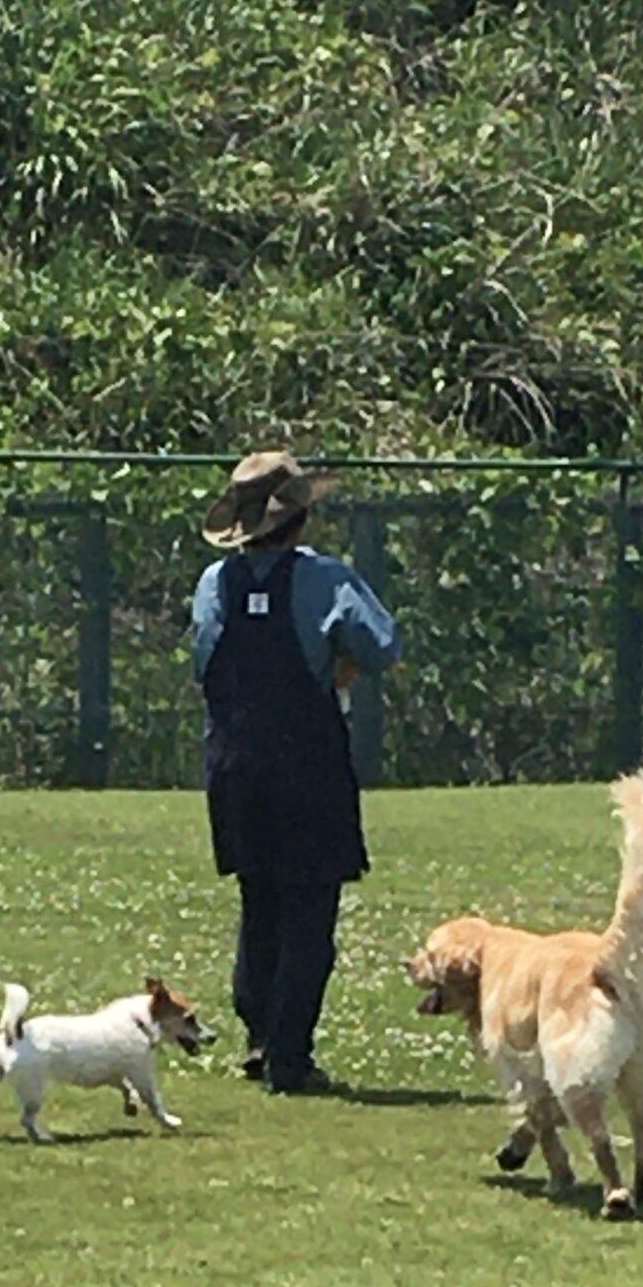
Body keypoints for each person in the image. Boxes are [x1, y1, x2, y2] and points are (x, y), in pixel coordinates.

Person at [191, 450, 402, 1095]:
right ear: (300, 519)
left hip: (234, 766)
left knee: (259, 901)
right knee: (310, 910)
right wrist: (338, 663)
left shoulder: (214, 583)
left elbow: (204, 663)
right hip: (307, 764)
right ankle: (289, 1054)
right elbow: (383, 646)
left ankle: (259, 1035)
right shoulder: (324, 579)